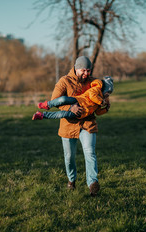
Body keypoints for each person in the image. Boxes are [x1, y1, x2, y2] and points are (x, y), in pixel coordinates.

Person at [37, 56, 110, 196]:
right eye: (83, 70)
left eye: (89, 70)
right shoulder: (64, 81)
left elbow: (98, 108)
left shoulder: (94, 82)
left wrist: (106, 106)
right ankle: (71, 180)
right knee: (69, 156)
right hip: (68, 124)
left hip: (88, 123)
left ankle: (92, 184)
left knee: (90, 153)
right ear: (76, 68)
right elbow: (55, 101)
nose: (86, 74)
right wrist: (70, 108)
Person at [32, 76, 113, 120]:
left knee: (62, 114)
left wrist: (105, 109)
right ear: (104, 88)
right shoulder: (96, 89)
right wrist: (102, 102)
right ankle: (47, 104)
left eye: (109, 93)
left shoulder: (102, 100)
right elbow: (92, 96)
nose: (107, 95)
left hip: (80, 113)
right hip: (78, 100)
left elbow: (98, 112)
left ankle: (42, 115)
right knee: (63, 99)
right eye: (107, 92)